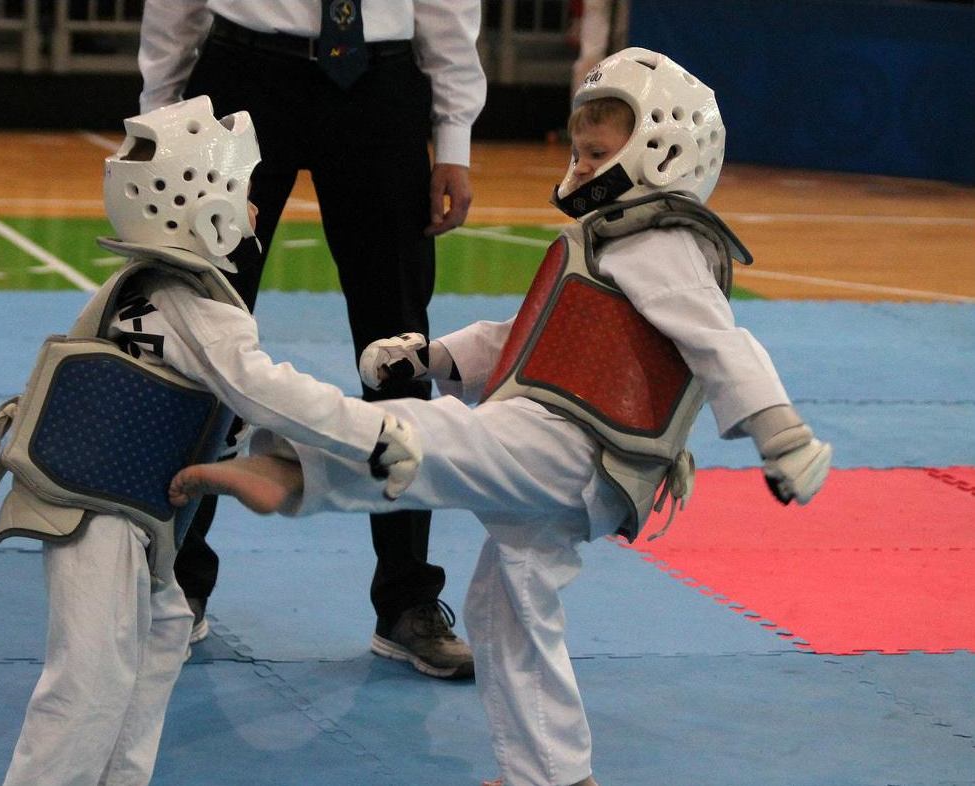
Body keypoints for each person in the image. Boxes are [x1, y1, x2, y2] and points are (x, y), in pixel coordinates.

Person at [168, 49, 834, 786]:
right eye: (579, 153)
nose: (580, 168)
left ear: (663, 153)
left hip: (575, 446)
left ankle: (300, 469)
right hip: (573, 452)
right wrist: (430, 358)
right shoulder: (612, 241)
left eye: (597, 155)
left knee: (439, 438)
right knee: (506, 606)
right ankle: (552, 774)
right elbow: (526, 337)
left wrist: (781, 435)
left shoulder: (661, 243)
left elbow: (720, 344)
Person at [0, 96, 422, 786]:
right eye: (244, 191)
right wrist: (371, 431)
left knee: (163, 629)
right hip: (101, 514)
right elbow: (264, 391)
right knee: (87, 680)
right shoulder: (195, 308)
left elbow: (226, 412)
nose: (256, 207)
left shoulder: (144, 287)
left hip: (114, 509)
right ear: (205, 212)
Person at [137, 0, 488, 679]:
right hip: (243, 72)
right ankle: (175, 581)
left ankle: (408, 600)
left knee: (400, 353)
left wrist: (453, 141)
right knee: (199, 339)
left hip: (381, 83)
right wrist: (159, 115)